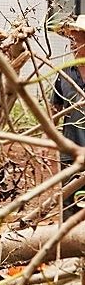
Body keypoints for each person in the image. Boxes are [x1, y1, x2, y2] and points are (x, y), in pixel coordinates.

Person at [51, 15, 85, 221]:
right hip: (70, 153)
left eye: (77, 40)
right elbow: (55, 107)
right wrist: (50, 136)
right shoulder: (64, 74)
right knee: (70, 203)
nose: (72, 45)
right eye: (70, 40)